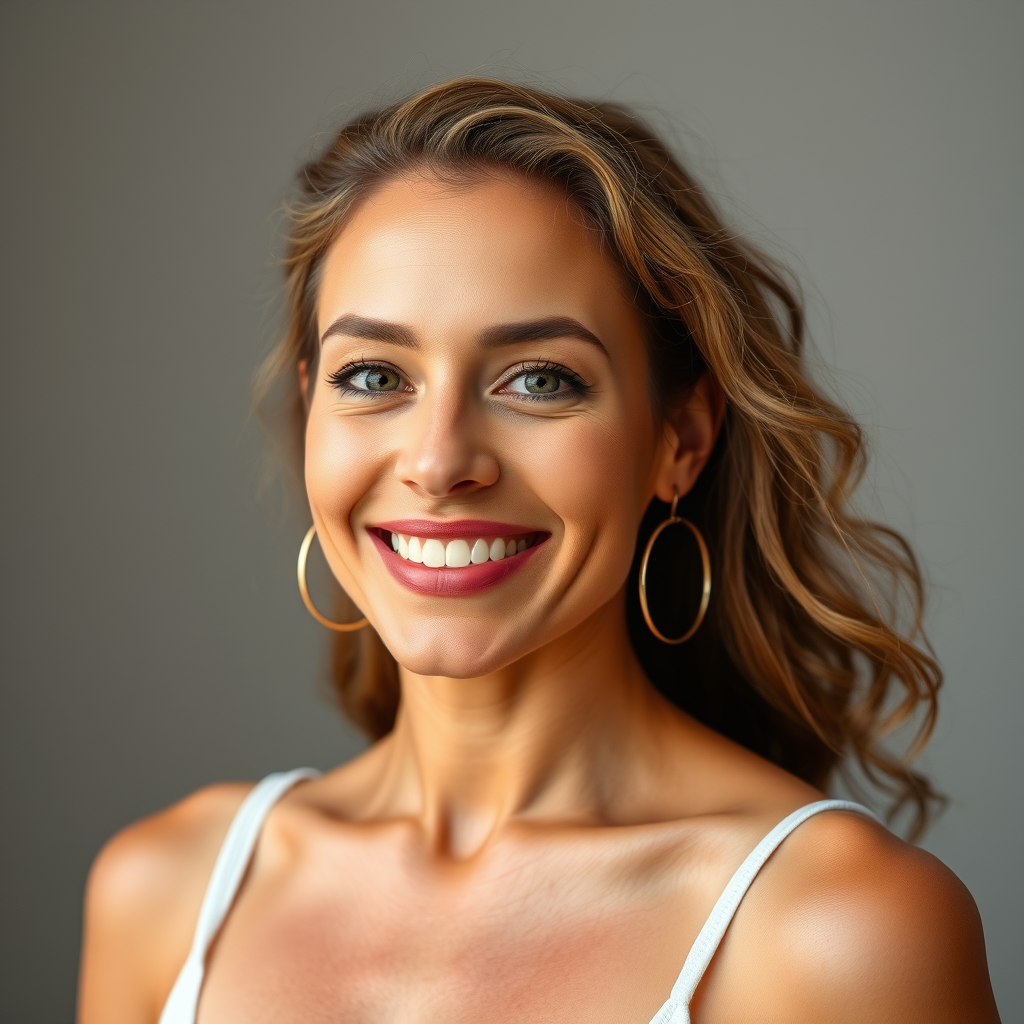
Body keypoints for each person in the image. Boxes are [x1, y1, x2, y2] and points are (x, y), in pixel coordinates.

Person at [76, 78, 1001, 1023]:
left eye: (539, 380)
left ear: (679, 440)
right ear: (313, 403)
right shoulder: (168, 896)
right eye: (374, 375)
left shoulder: (838, 933)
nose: (438, 462)